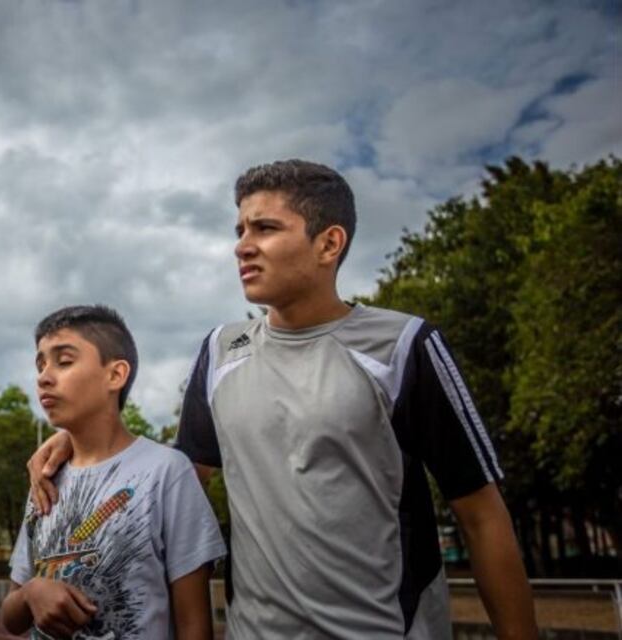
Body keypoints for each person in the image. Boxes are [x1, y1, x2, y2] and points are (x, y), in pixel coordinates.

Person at [28, 161, 538, 639]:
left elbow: (482, 516)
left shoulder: (404, 346)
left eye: (265, 229)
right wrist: (84, 438)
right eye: (240, 231)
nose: (242, 247)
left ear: (328, 243)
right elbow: (171, 487)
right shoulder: (221, 350)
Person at [2, 304, 226, 639]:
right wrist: (31, 592)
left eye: (64, 361)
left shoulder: (166, 472)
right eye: (40, 363)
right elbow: (11, 616)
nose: (44, 376)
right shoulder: (45, 476)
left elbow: (194, 624)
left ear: (116, 375)